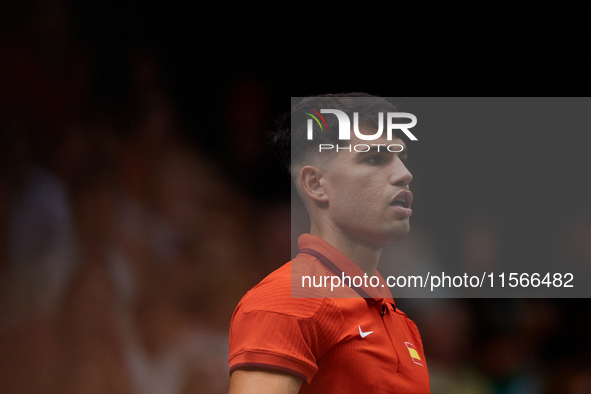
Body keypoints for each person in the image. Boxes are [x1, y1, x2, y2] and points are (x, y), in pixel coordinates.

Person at [228, 94, 430, 393]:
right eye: (374, 158)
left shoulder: (402, 322)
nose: (404, 174)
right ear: (316, 184)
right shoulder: (284, 301)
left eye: (402, 158)